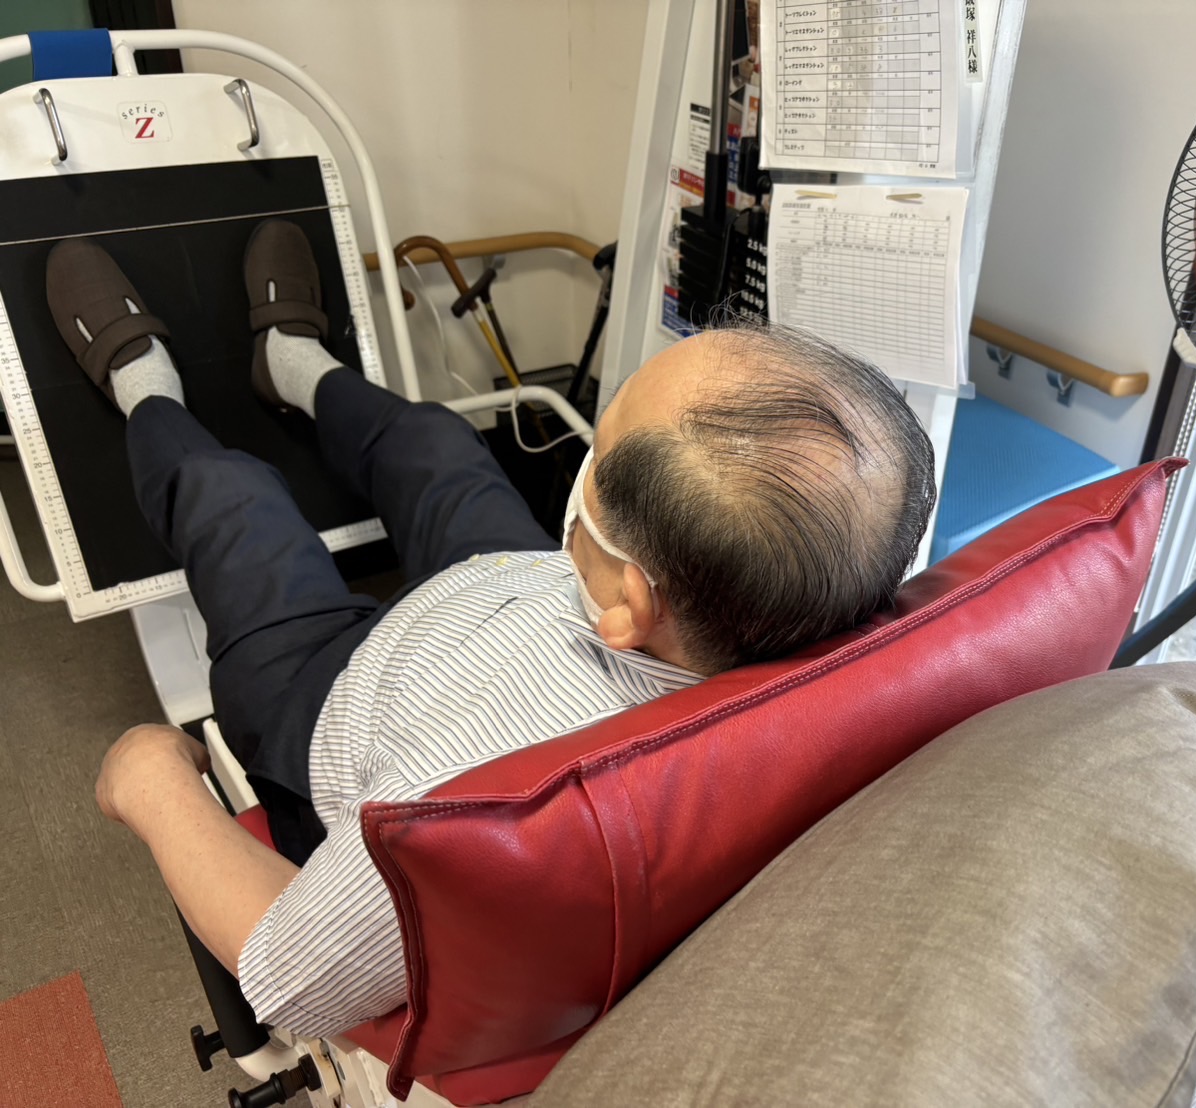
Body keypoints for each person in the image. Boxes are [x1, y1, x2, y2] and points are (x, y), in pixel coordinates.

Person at [49, 221, 937, 1036]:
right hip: (522, 594)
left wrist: (150, 781)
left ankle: (146, 389)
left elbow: (286, 974)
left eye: (594, 458)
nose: (585, 466)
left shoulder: (459, 807)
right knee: (436, 443)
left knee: (232, 498)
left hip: (321, 699)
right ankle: (293, 366)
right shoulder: (760, 607)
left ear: (630, 599)